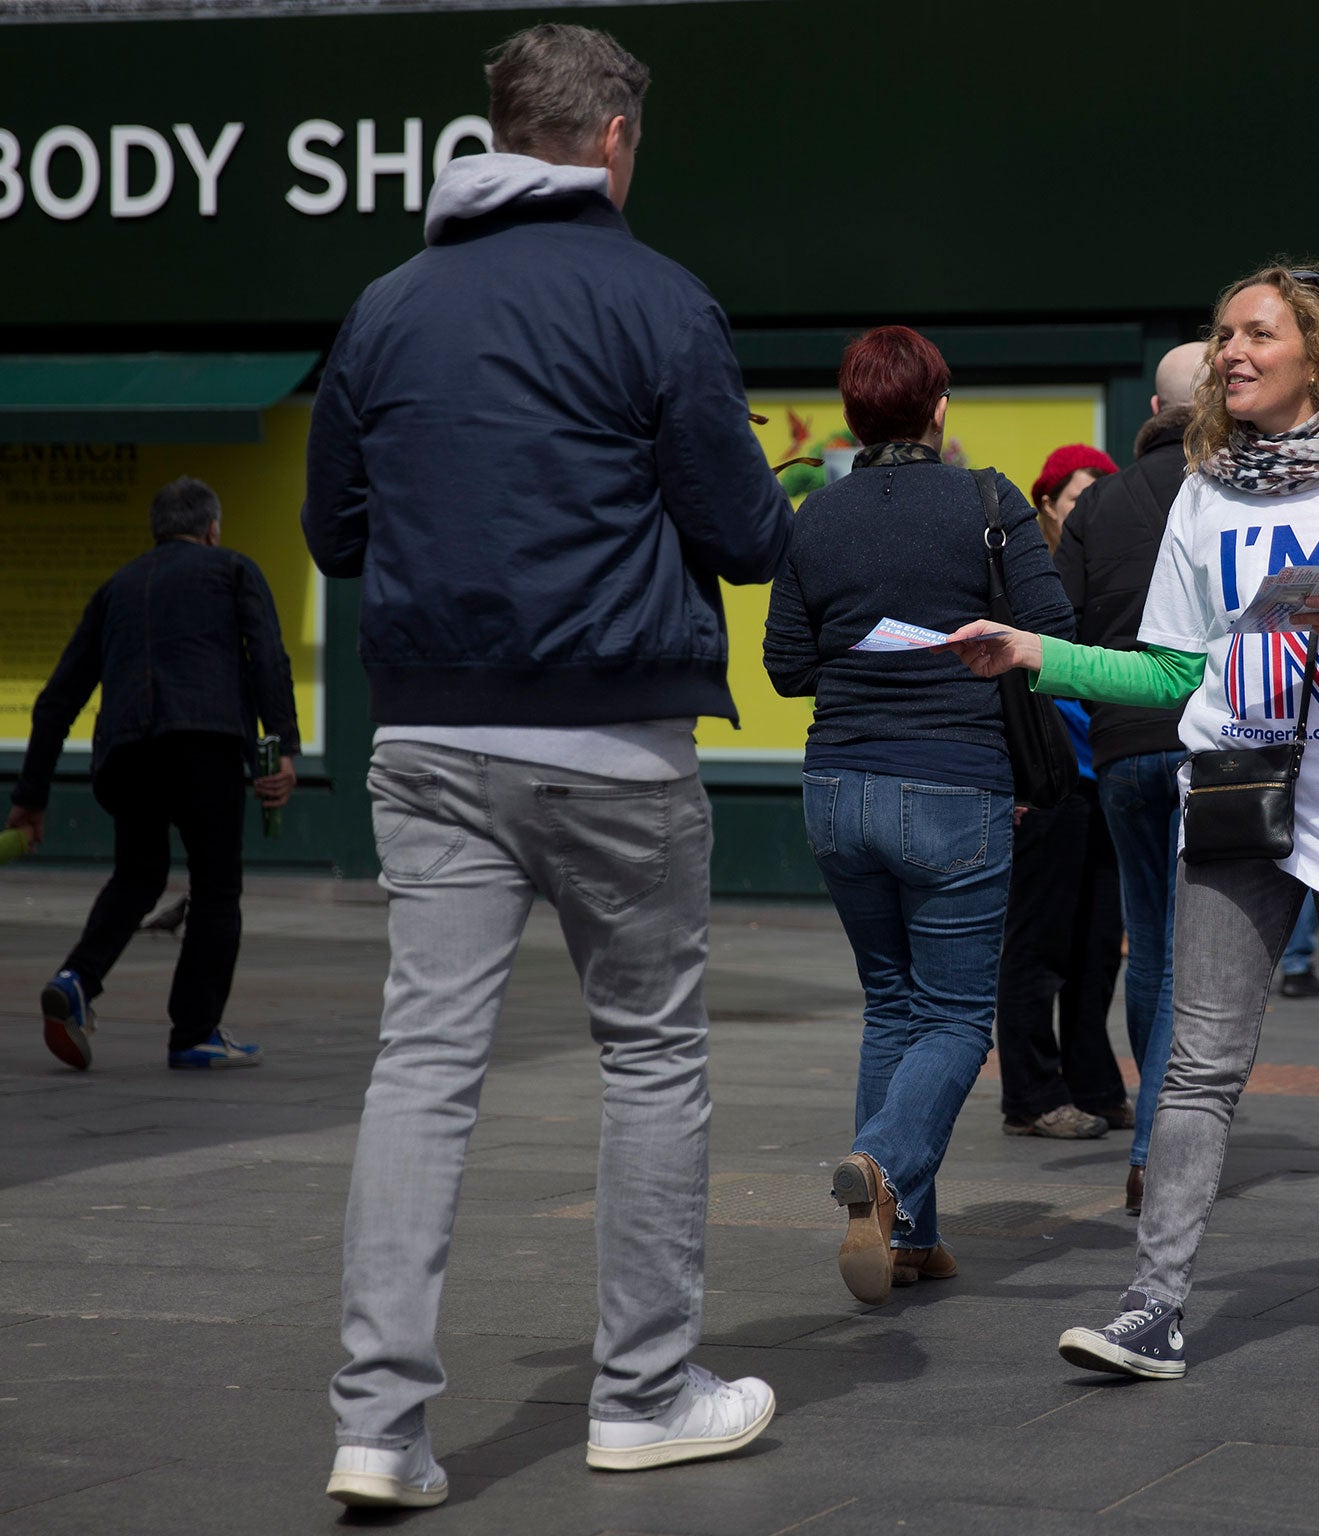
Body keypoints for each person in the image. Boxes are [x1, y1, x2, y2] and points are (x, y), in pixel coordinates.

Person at [303, 24, 791, 1507]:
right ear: (612, 142)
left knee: (423, 1067)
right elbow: (746, 534)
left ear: (494, 132)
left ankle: (378, 1427)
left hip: (432, 734)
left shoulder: (385, 306)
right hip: (614, 744)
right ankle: (641, 1395)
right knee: (650, 1053)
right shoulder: (659, 301)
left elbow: (333, 533)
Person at [951, 263, 1319, 1380]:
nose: (1232, 351)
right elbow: (1167, 672)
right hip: (1239, 795)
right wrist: (1036, 653)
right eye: (1223, 334)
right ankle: (1151, 1308)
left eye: (1256, 332)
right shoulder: (1205, 489)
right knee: (1197, 1065)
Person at [763, 326, 1076, 1306]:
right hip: (955, 788)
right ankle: (884, 1170)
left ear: (854, 417)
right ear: (936, 408)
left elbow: (784, 667)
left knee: (891, 1006)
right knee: (949, 1018)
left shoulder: (815, 515)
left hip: (839, 790)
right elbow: (1052, 635)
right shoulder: (986, 500)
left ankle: (906, 1238)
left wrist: (860, 643)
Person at [6, 476, 298, 1073]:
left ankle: (76, 979)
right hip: (205, 744)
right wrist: (282, 747)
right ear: (212, 529)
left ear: (157, 531)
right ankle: (193, 1033)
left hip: (128, 753)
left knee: (137, 875)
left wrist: (31, 795)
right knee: (216, 886)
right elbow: (268, 657)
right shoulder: (234, 570)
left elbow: (56, 701)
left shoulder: (117, 587)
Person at [1054, 343, 1207, 1213]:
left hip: (1116, 748)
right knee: (1194, 953)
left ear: (1151, 403)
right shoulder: (1229, 490)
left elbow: (1062, 624)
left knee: (1147, 943)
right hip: (1202, 741)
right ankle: (1159, 1143)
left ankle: (1163, 1125)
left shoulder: (1100, 500)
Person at [996, 444, 1132, 1143]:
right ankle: (1030, 1092)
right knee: (1038, 945)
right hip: (1049, 785)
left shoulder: (1098, 576)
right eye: (1081, 499)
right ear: (1048, 505)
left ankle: (1092, 1080)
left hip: (1102, 778)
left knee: (1098, 943)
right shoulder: (1036, 579)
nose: (1092, 513)